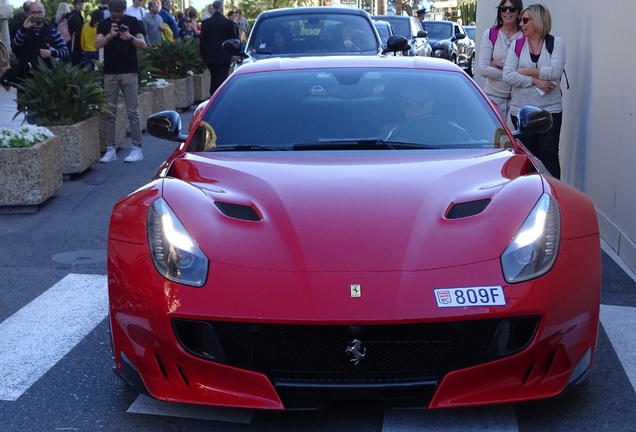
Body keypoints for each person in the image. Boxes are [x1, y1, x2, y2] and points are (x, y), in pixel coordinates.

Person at [503, 4, 565, 179]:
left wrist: (526, 70)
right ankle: (531, 196)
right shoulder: (517, 44)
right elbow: (508, 75)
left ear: (537, 21)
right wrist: (536, 81)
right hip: (521, 112)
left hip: (550, 110)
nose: (520, 24)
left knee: (549, 155)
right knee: (528, 157)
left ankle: (553, 194)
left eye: (525, 20)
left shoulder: (555, 43)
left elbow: (556, 72)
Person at [95, 0, 147, 163]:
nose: (118, 16)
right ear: (110, 10)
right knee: (110, 112)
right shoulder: (103, 24)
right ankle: (110, 149)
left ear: (124, 10)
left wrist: (129, 37)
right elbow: (97, 44)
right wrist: (110, 35)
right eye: (114, 13)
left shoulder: (133, 22)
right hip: (110, 72)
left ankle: (137, 148)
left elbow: (143, 44)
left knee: (133, 111)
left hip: (129, 71)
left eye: (120, 12)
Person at [478, 0, 523, 124]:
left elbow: (526, 67)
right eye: (503, 8)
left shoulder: (525, 35)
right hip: (494, 97)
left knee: (515, 140)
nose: (507, 12)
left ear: (519, 12)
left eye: (512, 9)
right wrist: (514, 73)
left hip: (518, 99)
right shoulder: (490, 34)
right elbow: (483, 68)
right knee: (495, 137)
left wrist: (499, 64)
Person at [11, 1, 69, 84]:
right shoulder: (22, 29)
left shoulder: (52, 30)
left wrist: (51, 53)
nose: (37, 15)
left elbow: (65, 51)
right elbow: (15, 45)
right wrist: (24, 29)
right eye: (33, 12)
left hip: (47, 78)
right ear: (29, 13)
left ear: (44, 12)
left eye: (39, 12)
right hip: (26, 77)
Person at [199, 0, 238, 97]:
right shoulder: (228, 23)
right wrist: (233, 54)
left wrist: (204, 57)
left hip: (210, 57)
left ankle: (213, 97)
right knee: (222, 79)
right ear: (221, 8)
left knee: (214, 78)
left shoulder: (206, 23)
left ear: (213, 8)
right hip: (224, 56)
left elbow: (202, 42)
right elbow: (233, 40)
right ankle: (220, 98)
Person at [66, 0, 85, 66]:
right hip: (74, 46)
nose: (80, 6)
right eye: (78, 4)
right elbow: (79, 32)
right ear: (74, 5)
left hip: (68, 44)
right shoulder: (75, 17)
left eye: (82, 4)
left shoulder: (69, 15)